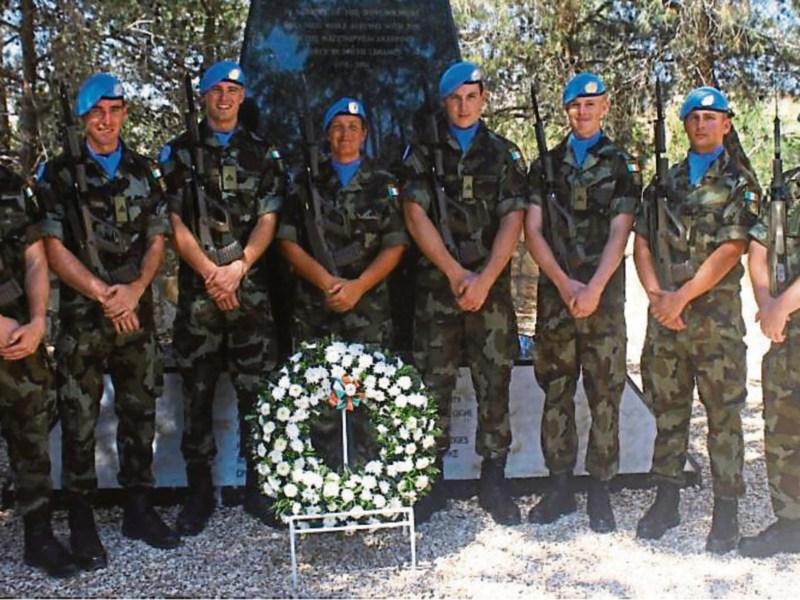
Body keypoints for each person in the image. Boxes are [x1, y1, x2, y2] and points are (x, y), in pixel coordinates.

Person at [38, 73, 178, 570]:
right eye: (97, 111)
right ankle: (80, 515)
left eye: (115, 109)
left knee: (140, 410)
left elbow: (158, 237)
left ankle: (138, 506)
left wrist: (135, 292)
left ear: (124, 113)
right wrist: (103, 295)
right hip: (83, 317)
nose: (106, 119)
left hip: (135, 314)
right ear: (83, 118)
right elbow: (52, 248)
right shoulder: (57, 175)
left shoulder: (144, 171)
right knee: (78, 418)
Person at [160, 60, 284, 534]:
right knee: (197, 393)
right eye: (216, 90)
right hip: (199, 298)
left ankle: (258, 487)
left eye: (233, 90)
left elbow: (269, 219)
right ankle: (197, 492)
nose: (225, 98)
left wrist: (239, 268)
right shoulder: (178, 153)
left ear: (242, 96)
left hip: (248, 293)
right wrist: (213, 274)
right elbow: (175, 224)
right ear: (205, 95)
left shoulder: (263, 155)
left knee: (257, 394)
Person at [633, 86, 759, 553]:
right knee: (668, 410)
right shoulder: (663, 183)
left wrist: (681, 295)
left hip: (715, 321)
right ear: (684, 125)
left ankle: (726, 509)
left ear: (726, 123)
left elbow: (733, 249)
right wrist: (656, 296)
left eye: (711, 117)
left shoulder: (741, 183)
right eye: (694, 117)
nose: (702, 124)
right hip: (667, 318)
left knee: (723, 414)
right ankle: (667, 498)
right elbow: (642, 241)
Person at [401, 61, 528, 525]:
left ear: (484, 97)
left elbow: (514, 220)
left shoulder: (503, 154)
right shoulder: (422, 154)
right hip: (439, 290)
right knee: (431, 383)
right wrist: (456, 273)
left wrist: (484, 278)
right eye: (455, 98)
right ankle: (428, 482)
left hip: (489, 293)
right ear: (444, 102)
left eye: (471, 96)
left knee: (494, 381)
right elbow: (415, 215)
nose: (463, 105)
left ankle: (493, 481)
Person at [525, 72, 640, 532]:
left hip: (603, 299)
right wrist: (565, 283)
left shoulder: (620, 164)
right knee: (556, 390)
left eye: (591, 104)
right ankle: (559, 487)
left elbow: (621, 229)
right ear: (566, 110)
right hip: (557, 299)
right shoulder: (545, 165)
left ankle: (600, 489)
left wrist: (591, 288)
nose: (583, 111)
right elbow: (532, 231)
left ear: (605, 107)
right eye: (575, 105)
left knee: (604, 394)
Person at [277, 97, 408, 347]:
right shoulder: (305, 183)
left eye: (353, 127)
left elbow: (395, 244)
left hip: (368, 312)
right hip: (315, 311)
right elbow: (287, 242)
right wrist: (328, 284)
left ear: (364, 135)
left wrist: (358, 287)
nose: (345, 134)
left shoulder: (384, 184)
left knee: (368, 385)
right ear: (327, 134)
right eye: (337, 127)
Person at [0, 165, 77, 577]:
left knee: (31, 437)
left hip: (18, 340)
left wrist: (37, 321)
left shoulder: (11, 185)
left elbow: (34, 259)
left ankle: (39, 536)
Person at [739, 165, 800, 557]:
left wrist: (781, 306)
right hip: (788, 336)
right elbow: (758, 252)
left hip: (786, 314)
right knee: (783, 429)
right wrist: (765, 304)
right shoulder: (788, 189)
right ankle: (791, 522)